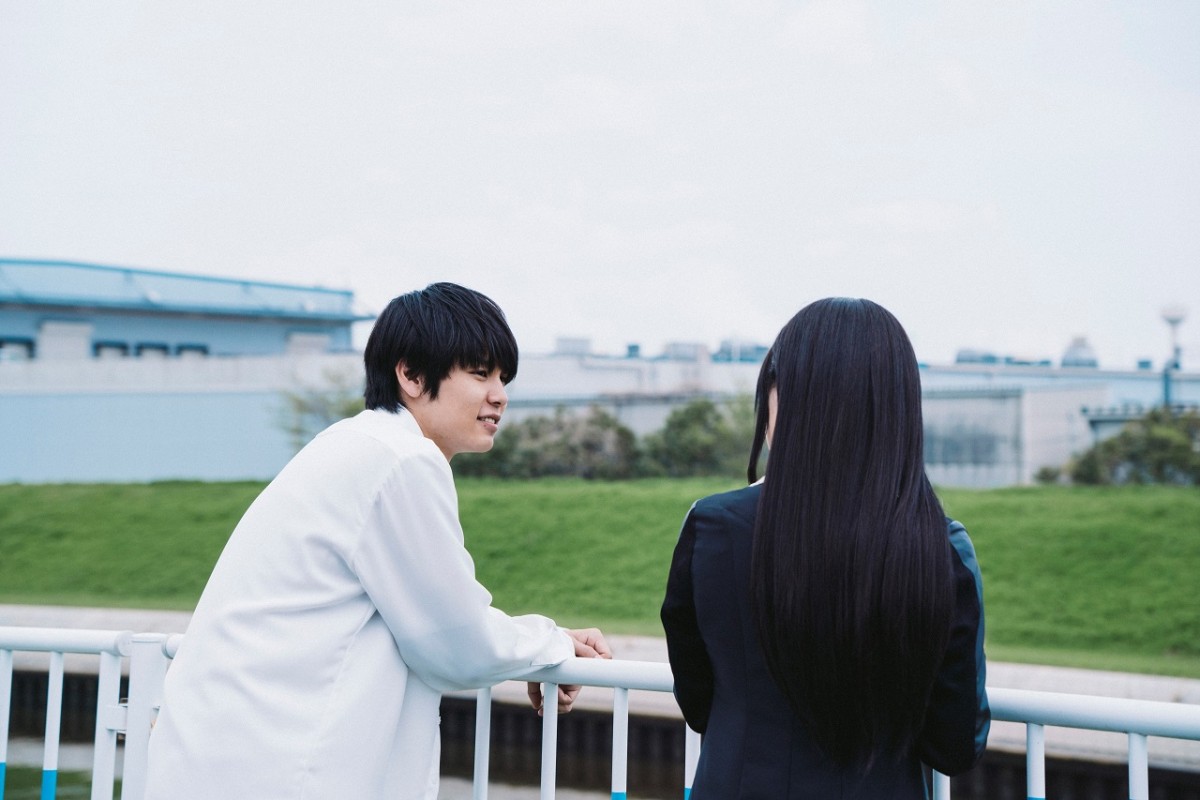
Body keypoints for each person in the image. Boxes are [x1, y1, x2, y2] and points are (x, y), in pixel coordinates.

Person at [146, 282, 611, 800]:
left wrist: (534, 648)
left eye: (504, 377)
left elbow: (439, 623)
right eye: (480, 373)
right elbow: (458, 643)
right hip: (273, 767)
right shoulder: (401, 460)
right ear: (411, 374)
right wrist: (550, 645)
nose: (499, 395)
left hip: (222, 757)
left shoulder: (354, 443)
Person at [661, 298, 989, 799]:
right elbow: (954, 743)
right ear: (899, 409)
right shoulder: (940, 549)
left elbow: (698, 700)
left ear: (780, 397)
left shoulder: (713, 528)